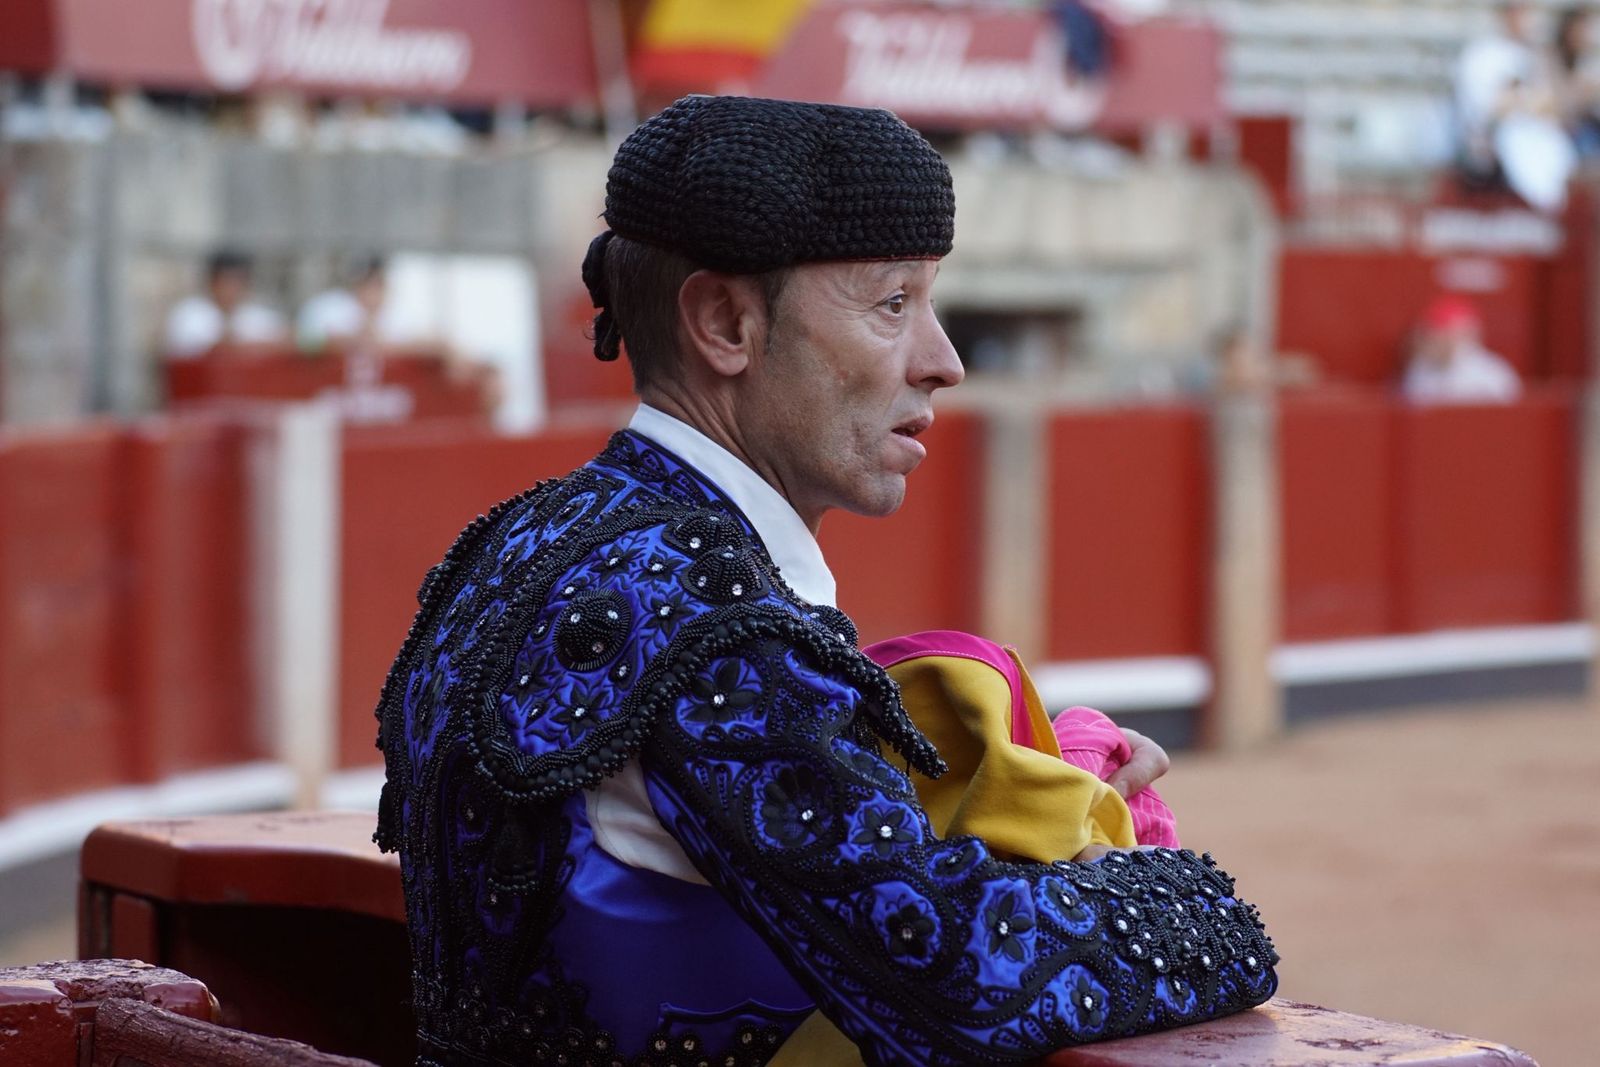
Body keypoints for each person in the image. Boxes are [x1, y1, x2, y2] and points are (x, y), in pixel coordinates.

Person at [374, 95, 1276, 1067]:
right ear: (726, 322)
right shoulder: (708, 615)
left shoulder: (520, 536)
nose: (944, 360)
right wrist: (1160, 880)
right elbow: (956, 975)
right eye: (893, 303)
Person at [162, 250, 286, 358]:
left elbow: (285, 342)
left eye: (238, 282)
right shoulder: (189, 313)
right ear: (212, 282)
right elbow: (194, 350)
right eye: (226, 282)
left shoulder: (257, 315)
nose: (232, 289)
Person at [1402, 295, 1522, 404]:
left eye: (1444, 333)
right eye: (1432, 333)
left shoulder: (1492, 372)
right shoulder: (1420, 368)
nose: (1436, 339)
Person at [296, 255, 400, 352]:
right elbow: (301, 340)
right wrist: (346, 341)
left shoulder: (399, 310)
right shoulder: (329, 307)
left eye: (377, 284)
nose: (371, 290)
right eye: (367, 282)